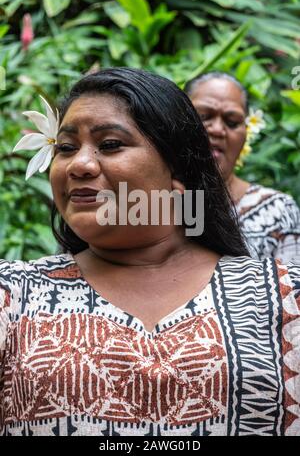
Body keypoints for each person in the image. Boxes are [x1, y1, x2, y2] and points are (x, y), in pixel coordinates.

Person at [0, 68, 299, 436]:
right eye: (65, 147)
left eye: (109, 144)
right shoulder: (12, 295)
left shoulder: (285, 298)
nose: (79, 164)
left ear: (178, 170)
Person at [184, 72, 300, 264]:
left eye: (232, 122)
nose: (217, 130)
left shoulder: (278, 212)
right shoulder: (154, 204)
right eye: (204, 116)